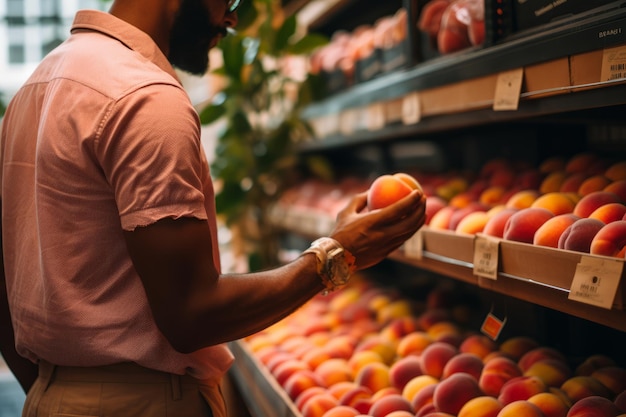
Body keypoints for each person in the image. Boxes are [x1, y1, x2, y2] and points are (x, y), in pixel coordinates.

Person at [0, 0, 426, 416]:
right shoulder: (144, 96)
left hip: (49, 395)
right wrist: (335, 254)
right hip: (145, 403)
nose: (233, 17)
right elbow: (192, 315)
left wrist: (57, 392)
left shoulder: (35, 88)